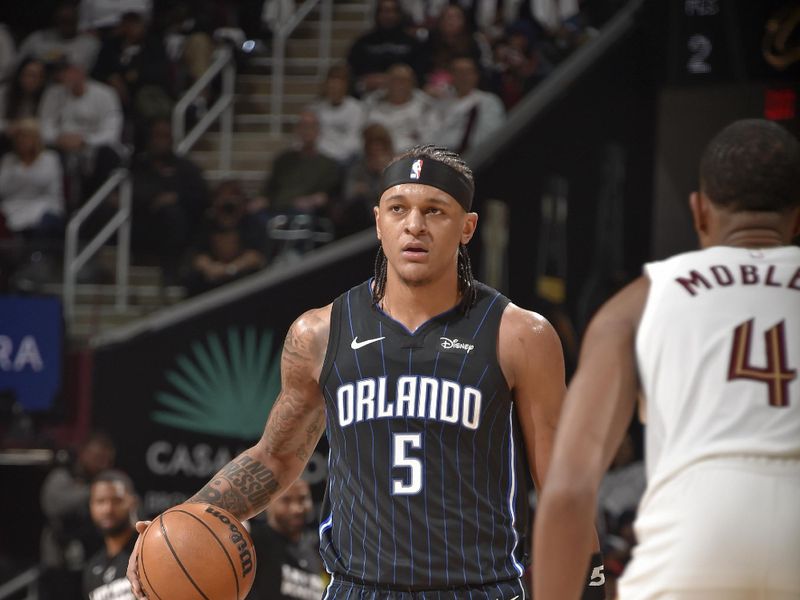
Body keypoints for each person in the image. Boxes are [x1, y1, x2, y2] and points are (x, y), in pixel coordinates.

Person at [129, 144, 604, 599]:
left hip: (478, 589)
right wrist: (179, 521)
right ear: (378, 221)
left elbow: (563, 489)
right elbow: (276, 457)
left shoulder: (520, 335)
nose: (414, 225)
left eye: (435, 210)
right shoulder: (318, 332)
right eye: (398, 209)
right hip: (358, 589)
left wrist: (593, 590)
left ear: (467, 227)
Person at [533, 118, 800, 599]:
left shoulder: (639, 302)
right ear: (797, 219)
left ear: (699, 213)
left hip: (693, 546)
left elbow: (570, 490)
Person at [40, 433, 116, 600]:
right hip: (60, 562)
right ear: (83, 453)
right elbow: (53, 506)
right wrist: (92, 491)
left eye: (106, 459)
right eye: (97, 457)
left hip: (95, 562)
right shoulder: (63, 476)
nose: (102, 463)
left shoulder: (111, 484)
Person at [245, 478, 324, 600]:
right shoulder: (251, 542)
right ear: (268, 504)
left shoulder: (317, 551)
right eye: (286, 500)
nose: (296, 509)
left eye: (303, 499)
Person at [0, 118, 65, 240]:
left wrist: (20, 172)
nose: (21, 140)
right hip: (12, 207)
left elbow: (42, 181)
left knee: (46, 226)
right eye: (19, 137)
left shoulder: (50, 158)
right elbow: (2, 189)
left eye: (26, 136)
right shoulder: (8, 160)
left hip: (44, 207)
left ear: (36, 139)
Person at [83, 470, 138, 600]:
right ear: (91, 506)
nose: (108, 509)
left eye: (117, 501)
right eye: (100, 501)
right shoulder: (92, 568)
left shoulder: (149, 550)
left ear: (133, 502)